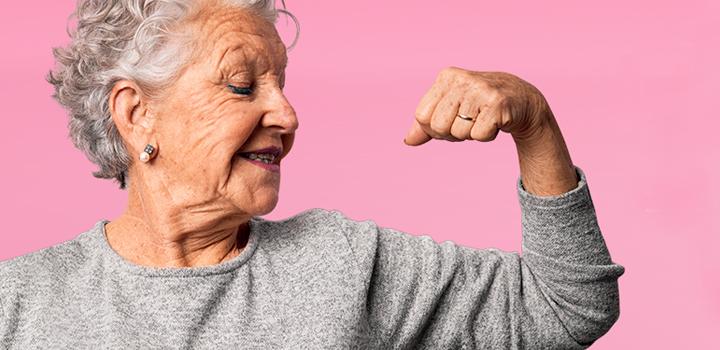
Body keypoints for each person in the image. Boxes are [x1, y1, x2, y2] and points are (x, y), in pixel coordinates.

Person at [0, 0, 625, 348]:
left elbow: (566, 306)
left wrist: (534, 123)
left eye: (282, 84)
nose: (287, 114)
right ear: (138, 115)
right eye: (243, 85)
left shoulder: (342, 262)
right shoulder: (19, 304)